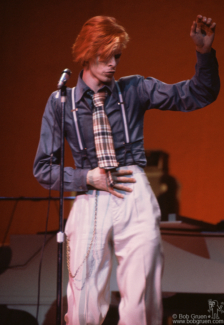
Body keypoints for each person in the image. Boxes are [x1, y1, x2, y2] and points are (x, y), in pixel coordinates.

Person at [33, 15, 220, 325]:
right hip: (90, 195)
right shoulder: (60, 102)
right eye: (105, 56)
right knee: (83, 302)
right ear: (86, 52)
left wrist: (203, 53)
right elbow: (43, 169)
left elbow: (196, 95)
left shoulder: (134, 89)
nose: (112, 64)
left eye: (117, 56)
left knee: (141, 301)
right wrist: (87, 177)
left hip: (133, 191)